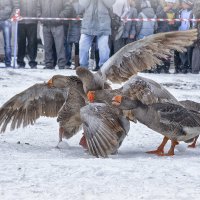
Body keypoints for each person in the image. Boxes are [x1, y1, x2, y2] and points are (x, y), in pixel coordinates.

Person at [79, 0, 115, 69]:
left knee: (103, 48)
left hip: (103, 25)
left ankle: (104, 68)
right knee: (82, 47)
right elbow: (82, 4)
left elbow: (110, 3)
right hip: (88, 24)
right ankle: (83, 68)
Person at [37, 0, 71, 69]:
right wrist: (40, 16)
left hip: (58, 25)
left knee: (60, 47)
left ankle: (61, 65)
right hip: (46, 25)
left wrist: (61, 16)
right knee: (47, 47)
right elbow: (38, 8)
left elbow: (68, 7)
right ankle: (48, 65)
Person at [155, 0, 180, 73]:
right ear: (166, 2)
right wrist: (163, 11)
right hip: (161, 32)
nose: (170, 4)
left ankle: (166, 68)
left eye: (172, 3)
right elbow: (157, 17)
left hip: (171, 33)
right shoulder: (160, 7)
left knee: (168, 51)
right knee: (159, 50)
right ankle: (158, 67)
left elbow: (179, 22)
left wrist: (174, 22)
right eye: (169, 2)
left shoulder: (176, 10)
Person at [17, 0, 38, 69]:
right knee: (21, 42)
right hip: (21, 22)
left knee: (32, 43)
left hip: (32, 22)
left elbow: (38, 5)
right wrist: (16, 15)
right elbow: (16, 4)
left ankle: (32, 62)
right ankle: (20, 62)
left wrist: (37, 15)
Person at [176, 0, 194, 73]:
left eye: (184, 3)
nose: (182, 5)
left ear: (188, 4)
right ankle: (183, 66)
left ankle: (188, 66)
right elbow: (179, 22)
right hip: (181, 33)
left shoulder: (192, 12)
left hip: (189, 34)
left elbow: (192, 23)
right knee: (182, 51)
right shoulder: (181, 12)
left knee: (189, 51)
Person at [0, 0, 19, 68]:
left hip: (6, 21)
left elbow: (16, 6)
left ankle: (8, 63)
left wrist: (10, 18)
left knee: (7, 44)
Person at [65, 0, 83, 69]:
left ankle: (71, 63)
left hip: (74, 27)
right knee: (76, 46)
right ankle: (76, 64)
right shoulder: (80, 4)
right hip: (75, 27)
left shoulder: (71, 4)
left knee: (72, 45)